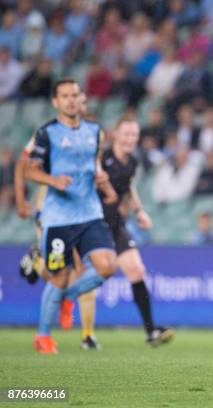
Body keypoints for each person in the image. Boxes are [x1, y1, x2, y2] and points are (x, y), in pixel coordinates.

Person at [24, 78, 119, 354]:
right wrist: (53, 181)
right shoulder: (47, 133)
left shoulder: (95, 131)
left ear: (81, 99)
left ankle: (68, 298)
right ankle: (43, 336)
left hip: (89, 212)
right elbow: (30, 169)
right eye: (64, 96)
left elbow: (95, 164)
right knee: (59, 276)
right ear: (56, 101)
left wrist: (103, 180)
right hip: (58, 218)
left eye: (75, 95)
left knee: (107, 266)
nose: (70, 100)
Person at [98, 118, 174, 346]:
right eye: (127, 134)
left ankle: (151, 332)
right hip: (93, 224)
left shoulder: (132, 160)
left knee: (137, 271)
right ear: (115, 135)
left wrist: (139, 211)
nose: (131, 139)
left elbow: (129, 186)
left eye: (134, 135)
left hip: (116, 224)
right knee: (73, 275)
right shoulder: (102, 159)